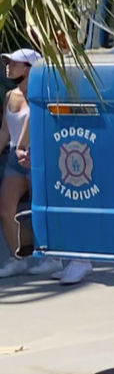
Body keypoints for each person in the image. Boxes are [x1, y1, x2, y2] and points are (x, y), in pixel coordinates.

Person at [0, 49, 87, 284]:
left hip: (41, 158)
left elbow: (44, 127)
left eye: (14, 62)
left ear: (30, 67)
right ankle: (19, 259)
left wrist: (25, 148)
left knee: (46, 211)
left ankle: (58, 257)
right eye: (7, 61)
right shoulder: (10, 96)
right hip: (14, 160)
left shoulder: (46, 94)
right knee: (6, 209)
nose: (8, 65)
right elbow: (4, 131)